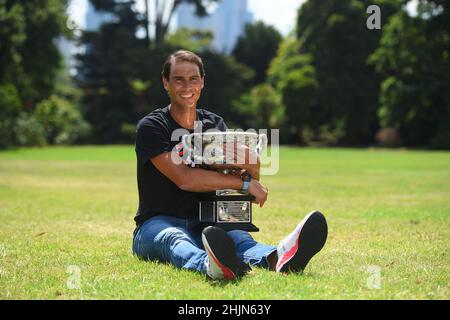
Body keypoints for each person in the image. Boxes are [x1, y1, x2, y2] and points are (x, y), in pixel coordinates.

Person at [132, 50, 328, 280]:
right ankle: (209, 264)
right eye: (178, 79)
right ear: (166, 82)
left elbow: (239, 182)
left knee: (240, 240)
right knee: (174, 239)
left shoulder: (215, 124)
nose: (187, 86)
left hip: (211, 221)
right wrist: (245, 183)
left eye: (193, 78)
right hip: (158, 222)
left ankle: (279, 257)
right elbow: (185, 179)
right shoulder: (152, 126)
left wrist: (252, 165)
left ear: (202, 82)